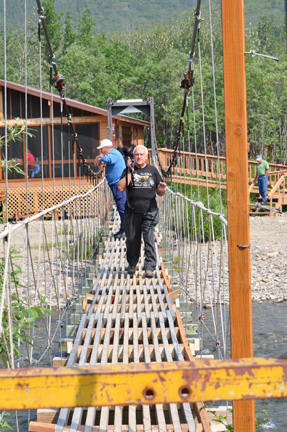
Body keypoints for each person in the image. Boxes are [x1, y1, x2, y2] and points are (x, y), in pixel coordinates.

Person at [118, 145, 166, 278]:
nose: (139, 157)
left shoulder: (153, 170)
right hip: (132, 211)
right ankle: (132, 264)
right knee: (132, 239)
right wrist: (129, 171)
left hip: (150, 211)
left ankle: (149, 266)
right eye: (136, 155)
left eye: (141, 154)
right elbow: (121, 188)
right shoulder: (127, 170)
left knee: (149, 237)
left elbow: (160, 192)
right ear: (132, 157)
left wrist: (161, 190)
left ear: (146, 157)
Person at [94, 139, 126, 239]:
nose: (101, 151)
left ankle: (126, 230)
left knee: (122, 207)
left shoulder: (114, 154)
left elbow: (108, 159)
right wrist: (100, 157)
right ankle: (125, 229)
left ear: (106, 148)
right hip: (116, 184)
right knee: (121, 207)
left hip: (118, 185)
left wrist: (99, 158)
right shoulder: (114, 153)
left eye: (101, 149)